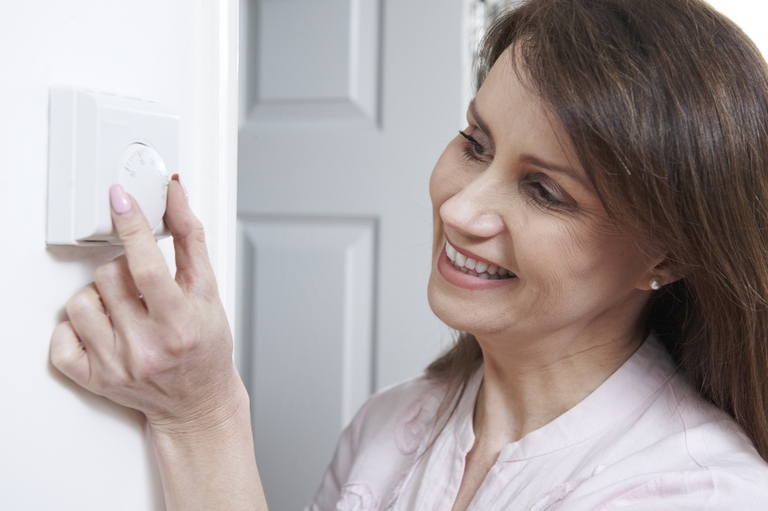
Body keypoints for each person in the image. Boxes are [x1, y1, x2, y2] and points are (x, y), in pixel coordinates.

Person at [51, 0, 768, 509]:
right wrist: (192, 415)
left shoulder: (697, 491)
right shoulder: (389, 426)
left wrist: (207, 418)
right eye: (475, 143)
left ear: (667, 256)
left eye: (545, 191)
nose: (458, 209)